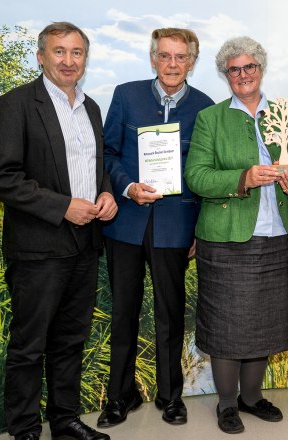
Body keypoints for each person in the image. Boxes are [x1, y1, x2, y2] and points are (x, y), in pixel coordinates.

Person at [0, 22, 116, 440]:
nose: (68, 60)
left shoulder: (91, 108)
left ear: (85, 59)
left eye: (77, 53)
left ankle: (65, 420)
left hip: (85, 245)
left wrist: (107, 194)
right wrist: (62, 208)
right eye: (59, 52)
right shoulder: (14, 105)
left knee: (70, 340)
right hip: (38, 248)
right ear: (40, 56)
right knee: (29, 347)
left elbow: (94, 168)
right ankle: (24, 430)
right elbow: (1, 177)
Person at [184, 36, 288, 435]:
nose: (242, 75)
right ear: (226, 74)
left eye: (249, 67)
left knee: (265, 324)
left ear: (261, 69)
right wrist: (243, 178)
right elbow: (197, 176)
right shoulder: (211, 118)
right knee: (226, 325)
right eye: (233, 69)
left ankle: (252, 398)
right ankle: (225, 403)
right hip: (225, 238)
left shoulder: (285, 113)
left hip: (276, 235)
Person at [96, 28, 214, 429]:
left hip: (176, 225)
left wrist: (198, 227)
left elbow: (205, 171)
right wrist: (127, 186)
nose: (173, 64)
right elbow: (108, 151)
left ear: (192, 62)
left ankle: (170, 396)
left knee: (170, 313)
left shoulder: (204, 107)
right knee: (124, 312)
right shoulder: (126, 96)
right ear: (153, 58)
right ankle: (120, 396)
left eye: (181, 57)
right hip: (126, 223)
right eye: (165, 56)